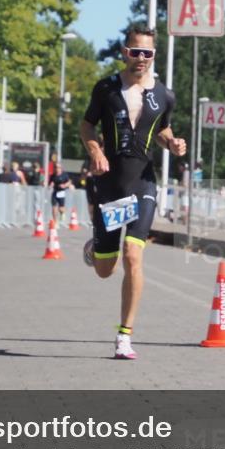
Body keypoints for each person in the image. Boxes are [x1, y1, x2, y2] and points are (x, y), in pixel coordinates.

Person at [79, 24, 187, 360]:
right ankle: (95, 249)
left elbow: (161, 127)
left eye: (147, 53)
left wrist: (172, 142)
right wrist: (95, 151)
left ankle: (124, 336)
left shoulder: (164, 94)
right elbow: (87, 125)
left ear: (155, 56)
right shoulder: (106, 89)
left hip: (143, 182)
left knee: (133, 255)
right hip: (111, 185)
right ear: (125, 52)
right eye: (135, 51)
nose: (141, 58)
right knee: (105, 269)